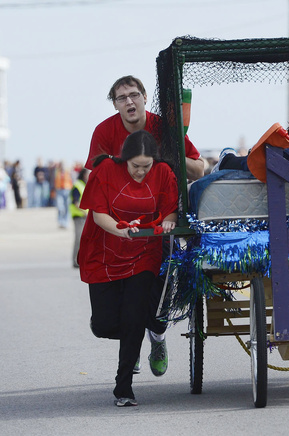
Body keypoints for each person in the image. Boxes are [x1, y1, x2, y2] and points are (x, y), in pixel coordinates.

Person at [78, 130, 178, 407]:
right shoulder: (106, 169)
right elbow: (98, 214)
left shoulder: (163, 172)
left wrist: (168, 221)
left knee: (134, 317)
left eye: (146, 167)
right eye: (136, 166)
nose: (141, 173)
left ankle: (124, 389)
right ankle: (127, 333)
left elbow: (170, 209)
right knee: (105, 324)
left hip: (144, 253)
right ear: (124, 160)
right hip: (105, 251)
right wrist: (121, 232)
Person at [86, 76, 204, 181]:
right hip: (121, 201)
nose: (129, 102)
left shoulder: (166, 128)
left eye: (134, 95)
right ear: (114, 105)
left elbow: (199, 172)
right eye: (121, 98)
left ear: (145, 97)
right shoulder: (104, 131)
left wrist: (172, 156)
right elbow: (96, 178)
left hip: (162, 199)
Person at [70, 168, 89, 268]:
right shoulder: (78, 185)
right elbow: (76, 202)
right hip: (79, 216)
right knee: (79, 238)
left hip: (86, 216)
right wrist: (84, 211)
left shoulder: (86, 185)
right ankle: (75, 260)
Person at [54, 161, 73, 229]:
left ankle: (66, 222)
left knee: (67, 207)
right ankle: (60, 222)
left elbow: (72, 180)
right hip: (59, 190)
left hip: (67, 190)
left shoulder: (68, 172)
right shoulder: (57, 172)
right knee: (60, 206)